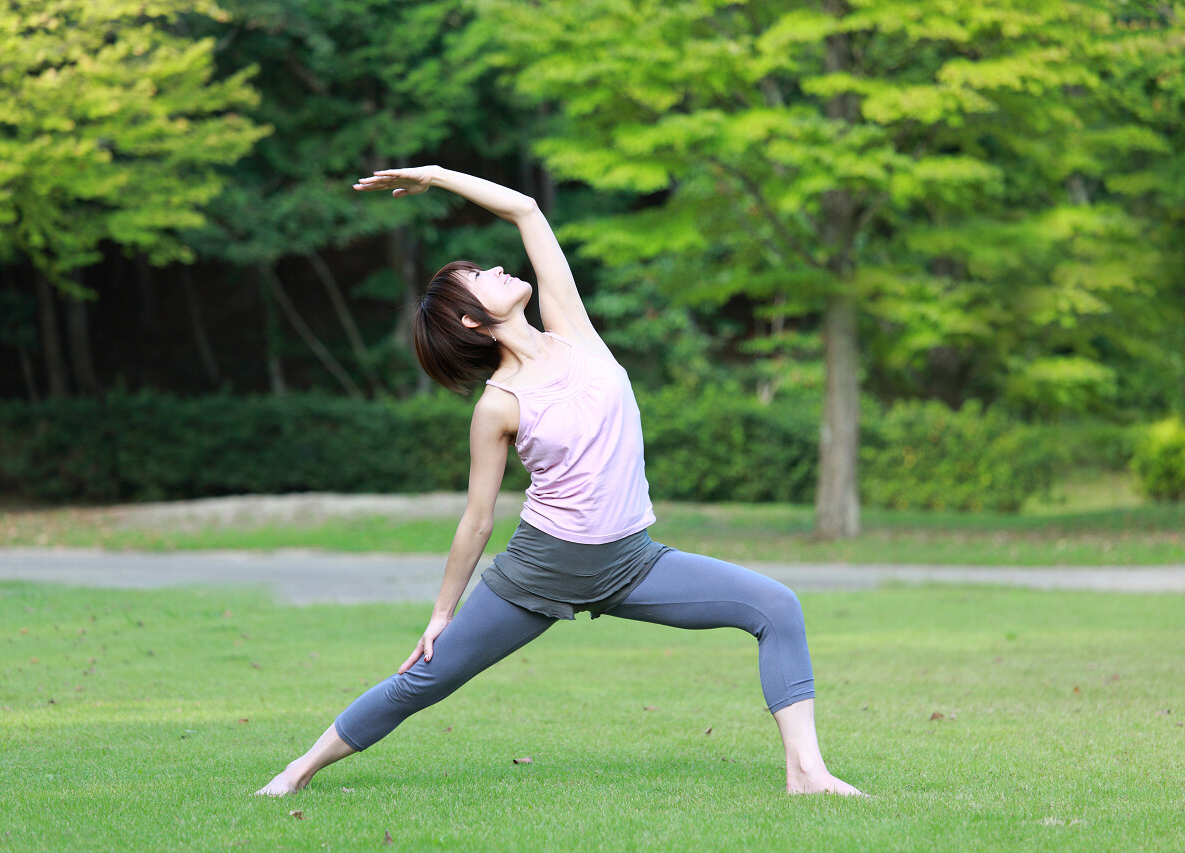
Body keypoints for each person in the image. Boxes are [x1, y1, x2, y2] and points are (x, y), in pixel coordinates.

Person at [254, 166, 864, 797]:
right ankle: (297, 771)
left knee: (776, 607)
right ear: (470, 321)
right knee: (426, 680)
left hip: (633, 561)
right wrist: (441, 614)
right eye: (480, 279)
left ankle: (806, 773)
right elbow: (478, 520)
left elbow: (524, 210)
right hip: (541, 571)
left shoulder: (571, 329)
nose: (497, 271)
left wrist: (437, 176)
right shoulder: (499, 404)